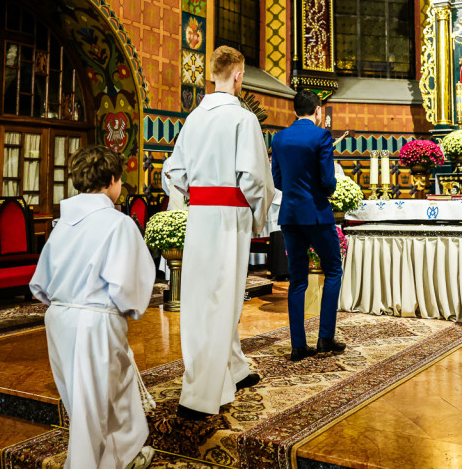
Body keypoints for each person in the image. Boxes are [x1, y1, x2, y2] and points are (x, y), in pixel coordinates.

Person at [163, 46, 275, 420]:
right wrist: (258, 218)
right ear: (239, 76)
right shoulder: (243, 119)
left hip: (199, 215)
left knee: (204, 293)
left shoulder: (194, 118)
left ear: (212, 75)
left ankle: (235, 368)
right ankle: (200, 395)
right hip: (231, 217)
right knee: (222, 297)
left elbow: (175, 173)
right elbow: (255, 180)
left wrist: (193, 199)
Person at [29, 145, 156, 469]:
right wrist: (125, 308)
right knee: (94, 406)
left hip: (59, 319)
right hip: (95, 322)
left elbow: (40, 283)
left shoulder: (62, 224)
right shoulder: (118, 223)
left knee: (88, 400)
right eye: (120, 180)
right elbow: (129, 285)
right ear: (112, 179)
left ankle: (118, 456)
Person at [270, 90, 346, 362]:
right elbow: (327, 180)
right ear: (317, 111)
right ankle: (325, 337)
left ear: (294, 111)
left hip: (290, 216)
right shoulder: (321, 136)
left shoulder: (279, 138)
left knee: (297, 279)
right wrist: (329, 190)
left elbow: (277, 180)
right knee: (333, 269)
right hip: (316, 214)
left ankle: (298, 345)